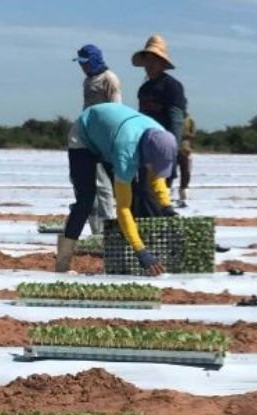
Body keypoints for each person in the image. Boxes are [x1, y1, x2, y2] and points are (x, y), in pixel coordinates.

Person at [58, 102, 178, 275]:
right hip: (84, 135)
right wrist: (140, 250)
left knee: (137, 193)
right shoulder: (125, 155)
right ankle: (63, 262)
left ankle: (127, 256)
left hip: (110, 136)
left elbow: (156, 177)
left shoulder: (162, 137)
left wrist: (166, 205)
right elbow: (123, 208)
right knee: (86, 201)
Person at [74, 44, 121, 235]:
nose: (82, 66)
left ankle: (107, 228)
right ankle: (96, 230)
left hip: (104, 138)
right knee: (87, 183)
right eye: (80, 63)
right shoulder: (87, 81)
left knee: (103, 185)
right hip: (87, 136)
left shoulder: (109, 79)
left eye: (85, 63)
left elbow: (116, 109)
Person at [132, 35, 187, 186]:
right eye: (147, 60)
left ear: (162, 63)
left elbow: (176, 121)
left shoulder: (172, 86)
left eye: (154, 60)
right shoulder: (144, 89)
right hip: (146, 146)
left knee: (160, 190)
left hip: (163, 147)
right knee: (144, 190)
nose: (149, 64)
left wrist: (172, 151)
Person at [176, 113, 195, 207]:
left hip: (185, 149)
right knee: (168, 173)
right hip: (172, 148)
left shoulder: (189, 119)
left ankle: (183, 194)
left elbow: (192, 134)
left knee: (186, 173)